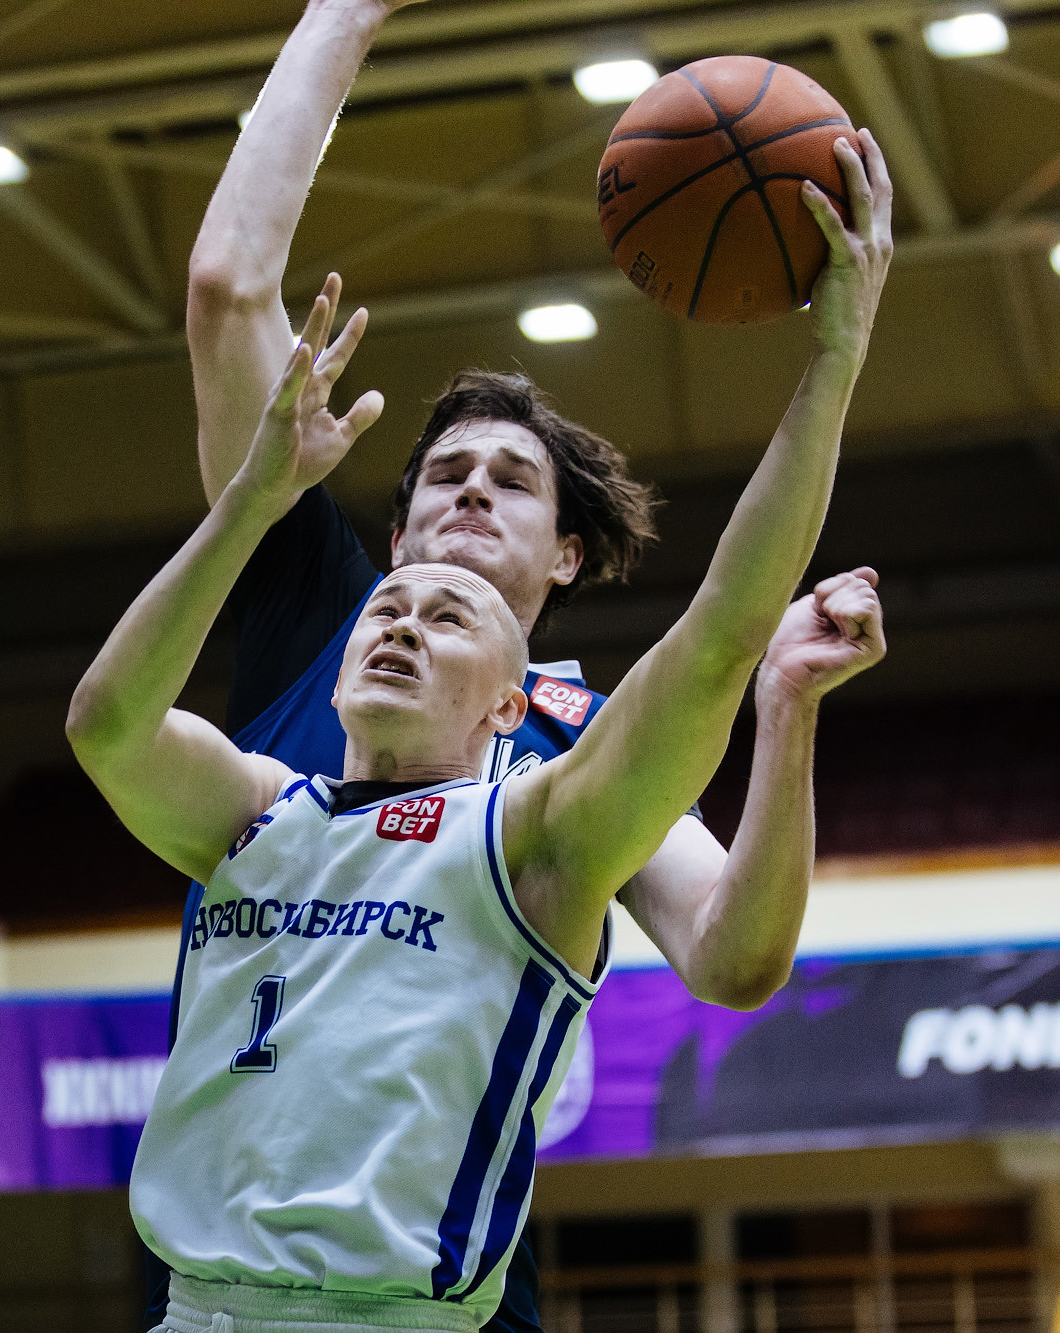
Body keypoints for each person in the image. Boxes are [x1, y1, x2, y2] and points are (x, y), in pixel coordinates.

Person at [72, 109, 890, 1329]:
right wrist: (246, 498)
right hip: (198, 1296)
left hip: (403, 1292)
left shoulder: (547, 802)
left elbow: (720, 663)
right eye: (444, 479)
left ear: (561, 564)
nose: (466, 501)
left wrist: (833, 365)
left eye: (510, 483)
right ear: (386, 546)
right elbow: (104, 722)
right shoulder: (271, 771)